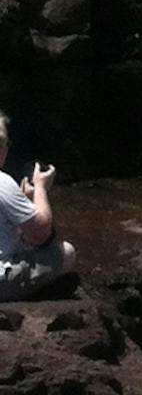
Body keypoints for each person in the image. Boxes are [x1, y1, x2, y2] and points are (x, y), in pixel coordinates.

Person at [0, 113, 75, 300]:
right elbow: (41, 234)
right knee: (66, 252)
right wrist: (40, 188)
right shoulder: (3, 183)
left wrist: (24, 199)